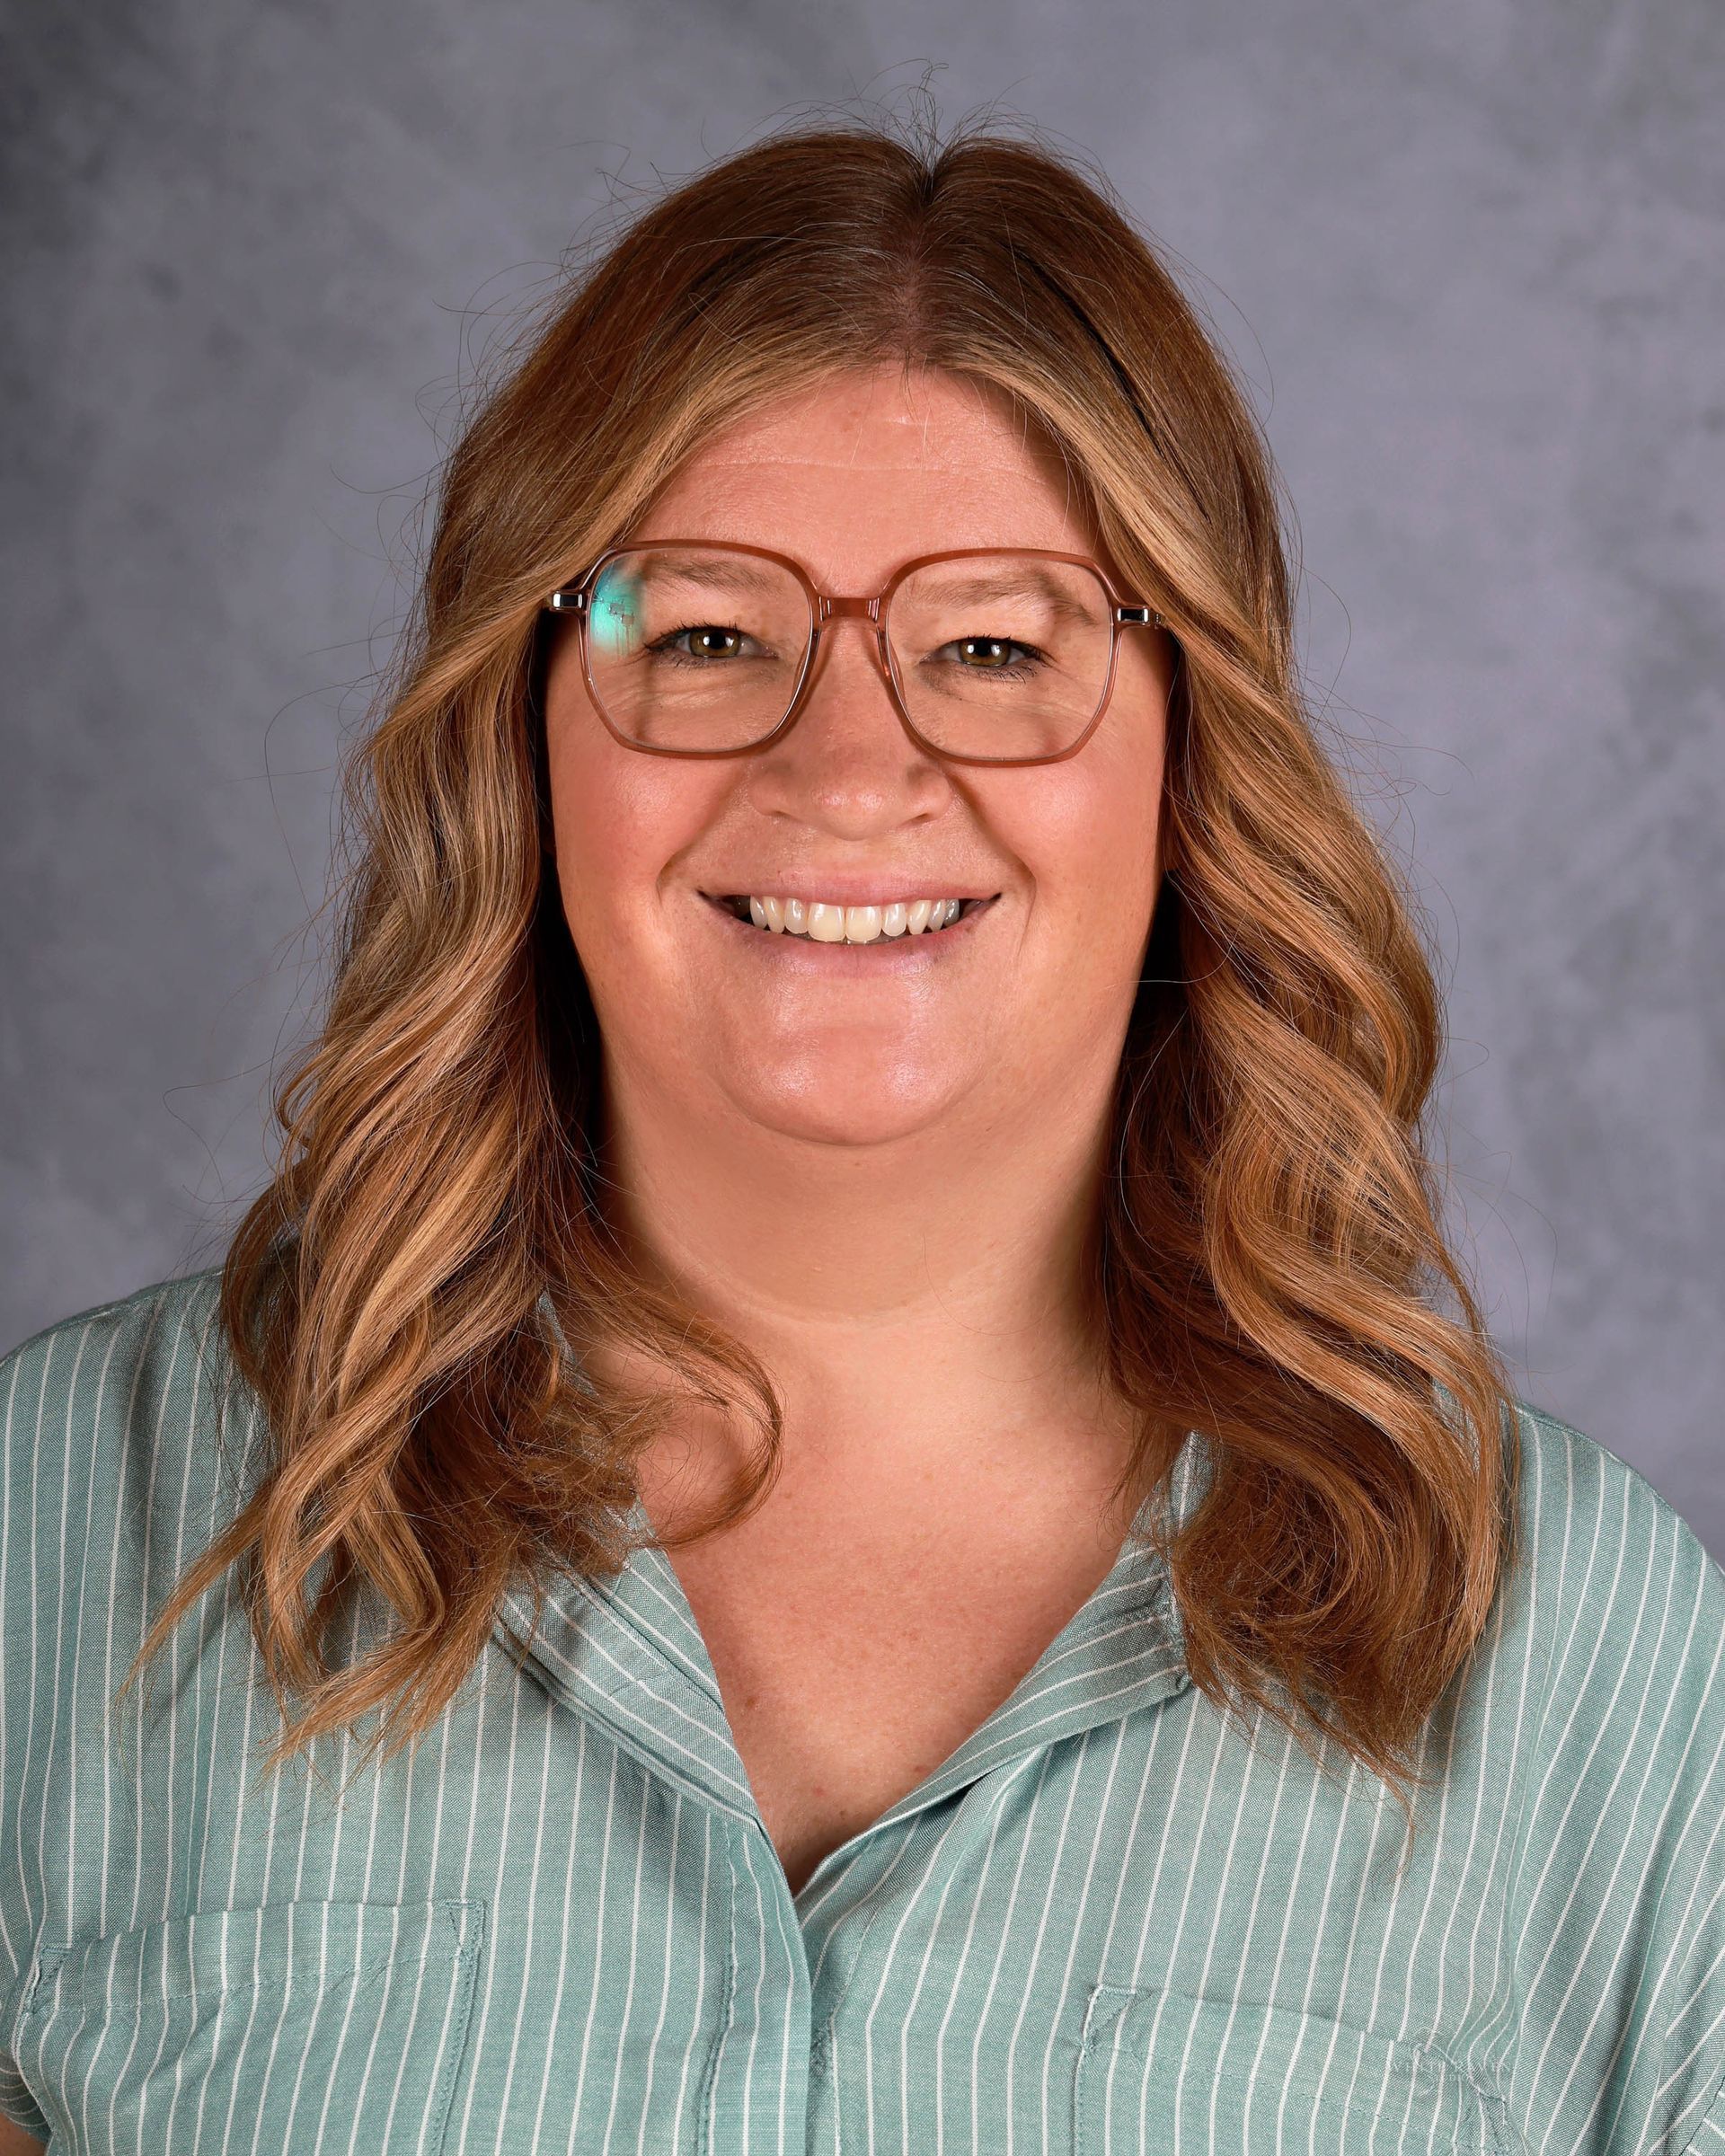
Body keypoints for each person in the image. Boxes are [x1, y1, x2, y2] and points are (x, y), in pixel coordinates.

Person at [2, 111, 1721, 2156]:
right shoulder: (62, 1530)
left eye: (993, 646)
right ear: (523, 720)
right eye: (708, 632)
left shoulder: (1581, 1651)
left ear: (1195, 751)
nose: (850, 764)